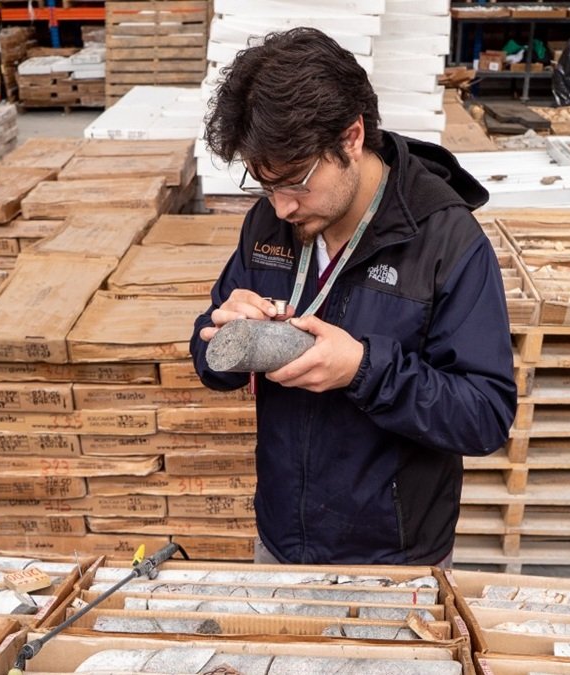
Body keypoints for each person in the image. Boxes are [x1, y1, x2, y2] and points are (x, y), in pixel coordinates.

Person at [190, 27, 517, 567]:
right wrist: (222, 338)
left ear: (351, 137)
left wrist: (365, 370)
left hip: (394, 559)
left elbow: (483, 415)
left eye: (295, 182)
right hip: (279, 541)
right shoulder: (270, 224)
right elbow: (207, 354)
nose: (282, 207)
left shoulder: (446, 242)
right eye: (263, 184)